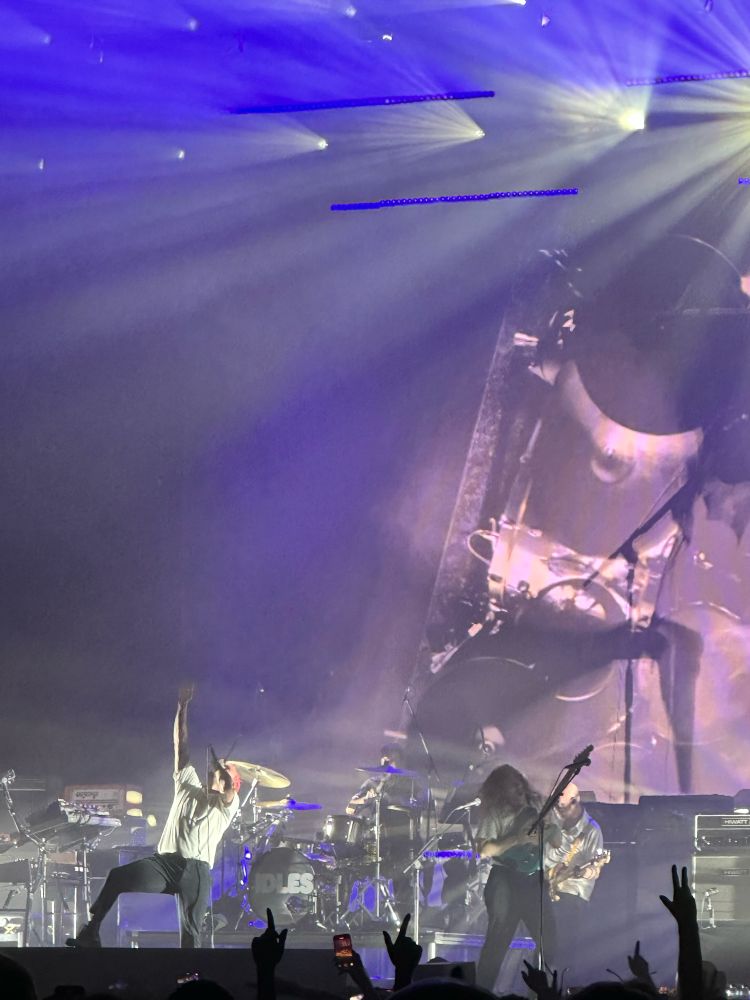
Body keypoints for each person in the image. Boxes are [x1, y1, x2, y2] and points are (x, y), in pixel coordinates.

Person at [67, 685, 240, 948]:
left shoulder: (227, 804)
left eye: (223, 773)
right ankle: (91, 932)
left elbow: (228, 788)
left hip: (196, 869)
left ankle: (190, 979)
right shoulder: (187, 783)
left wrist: (222, 769)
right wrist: (182, 708)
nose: (217, 773)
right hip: (164, 863)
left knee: (191, 934)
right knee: (117, 876)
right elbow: (180, 746)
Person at [474, 764, 547, 992]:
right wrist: (517, 839)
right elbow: (484, 849)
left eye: (519, 784)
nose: (518, 789)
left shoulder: (535, 807)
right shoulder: (495, 812)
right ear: (501, 790)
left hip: (534, 878)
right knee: (497, 942)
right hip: (504, 879)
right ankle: (480, 993)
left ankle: (547, 992)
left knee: (548, 941)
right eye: (511, 786)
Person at [346, 744, 422, 918]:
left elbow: (423, 804)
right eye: (384, 756)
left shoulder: (410, 783)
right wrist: (367, 798)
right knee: (351, 866)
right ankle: (349, 913)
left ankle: (403, 918)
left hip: (402, 841)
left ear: (401, 761)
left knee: (402, 878)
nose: (387, 759)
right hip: (375, 839)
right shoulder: (372, 782)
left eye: (392, 757)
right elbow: (350, 809)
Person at [543, 783, 605, 982]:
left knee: (562, 949)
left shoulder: (591, 831)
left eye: (560, 806)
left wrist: (588, 871)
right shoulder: (552, 823)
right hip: (547, 887)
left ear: (574, 801)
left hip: (571, 895)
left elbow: (596, 869)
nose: (557, 810)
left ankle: (560, 983)